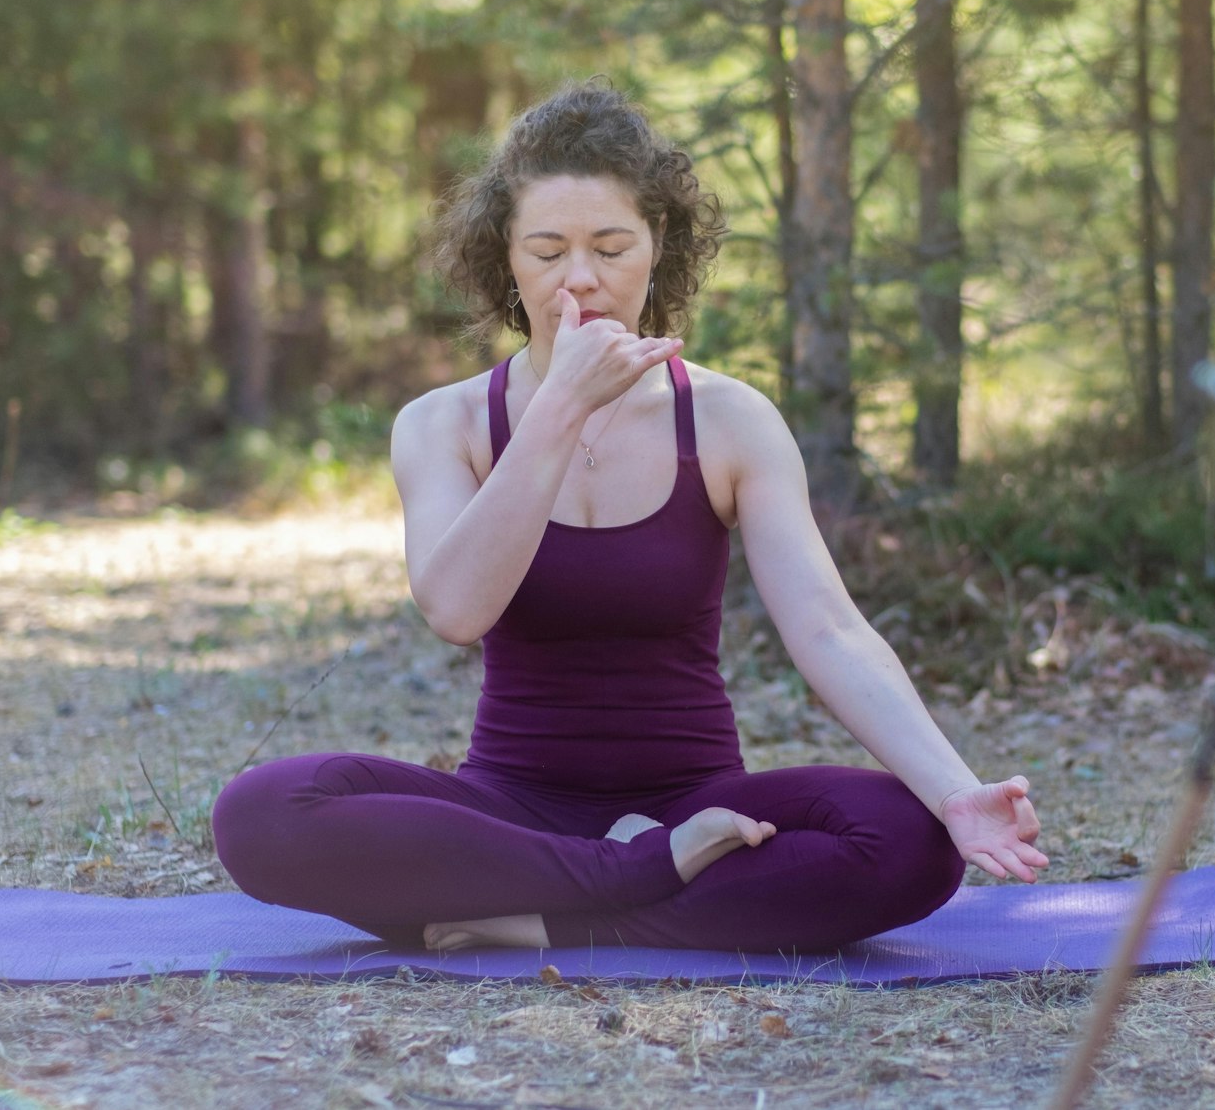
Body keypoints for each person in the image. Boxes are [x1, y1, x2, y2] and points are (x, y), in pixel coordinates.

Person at [212, 81, 1045, 953]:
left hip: (699, 801)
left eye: (612, 247)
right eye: (547, 251)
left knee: (909, 839)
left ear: (659, 250)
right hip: (509, 810)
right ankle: (638, 879)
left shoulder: (730, 420)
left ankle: (528, 914)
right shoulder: (442, 423)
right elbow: (455, 610)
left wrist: (956, 792)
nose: (581, 277)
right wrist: (558, 410)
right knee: (261, 813)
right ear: (506, 260)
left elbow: (830, 628)